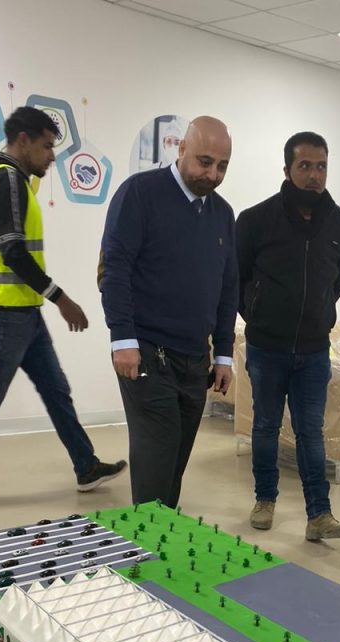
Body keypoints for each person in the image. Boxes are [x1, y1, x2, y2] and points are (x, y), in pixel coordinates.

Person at [0, 106, 126, 505]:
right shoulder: (7, 180)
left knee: (56, 389)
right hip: (7, 316)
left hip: (22, 312)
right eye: (47, 146)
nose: (52, 156)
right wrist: (61, 299)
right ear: (23, 140)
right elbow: (12, 251)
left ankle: (86, 466)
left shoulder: (10, 180)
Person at [100, 116, 237, 507]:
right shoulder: (140, 194)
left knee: (174, 461)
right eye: (205, 162)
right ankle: (147, 539)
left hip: (195, 360)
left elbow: (228, 287)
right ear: (181, 149)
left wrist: (223, 354)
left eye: (222, 166)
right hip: (146, 353)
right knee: (156, 461)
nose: (213, 174)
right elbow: (115, 269)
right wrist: (122, 339)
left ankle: (160, 531)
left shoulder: (222, 214)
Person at [236, 131, 340, 541]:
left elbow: (339, 279)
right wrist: (258, 313)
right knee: (265, 427)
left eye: (321, 166)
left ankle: (319, 514)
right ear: (287, 170)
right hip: (266, 347)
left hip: (314, 351)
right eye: (305, 166)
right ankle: (265, 499)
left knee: (311, 433)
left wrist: (319, 315)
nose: (314, 175)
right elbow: (238, 277)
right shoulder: (255, 220)